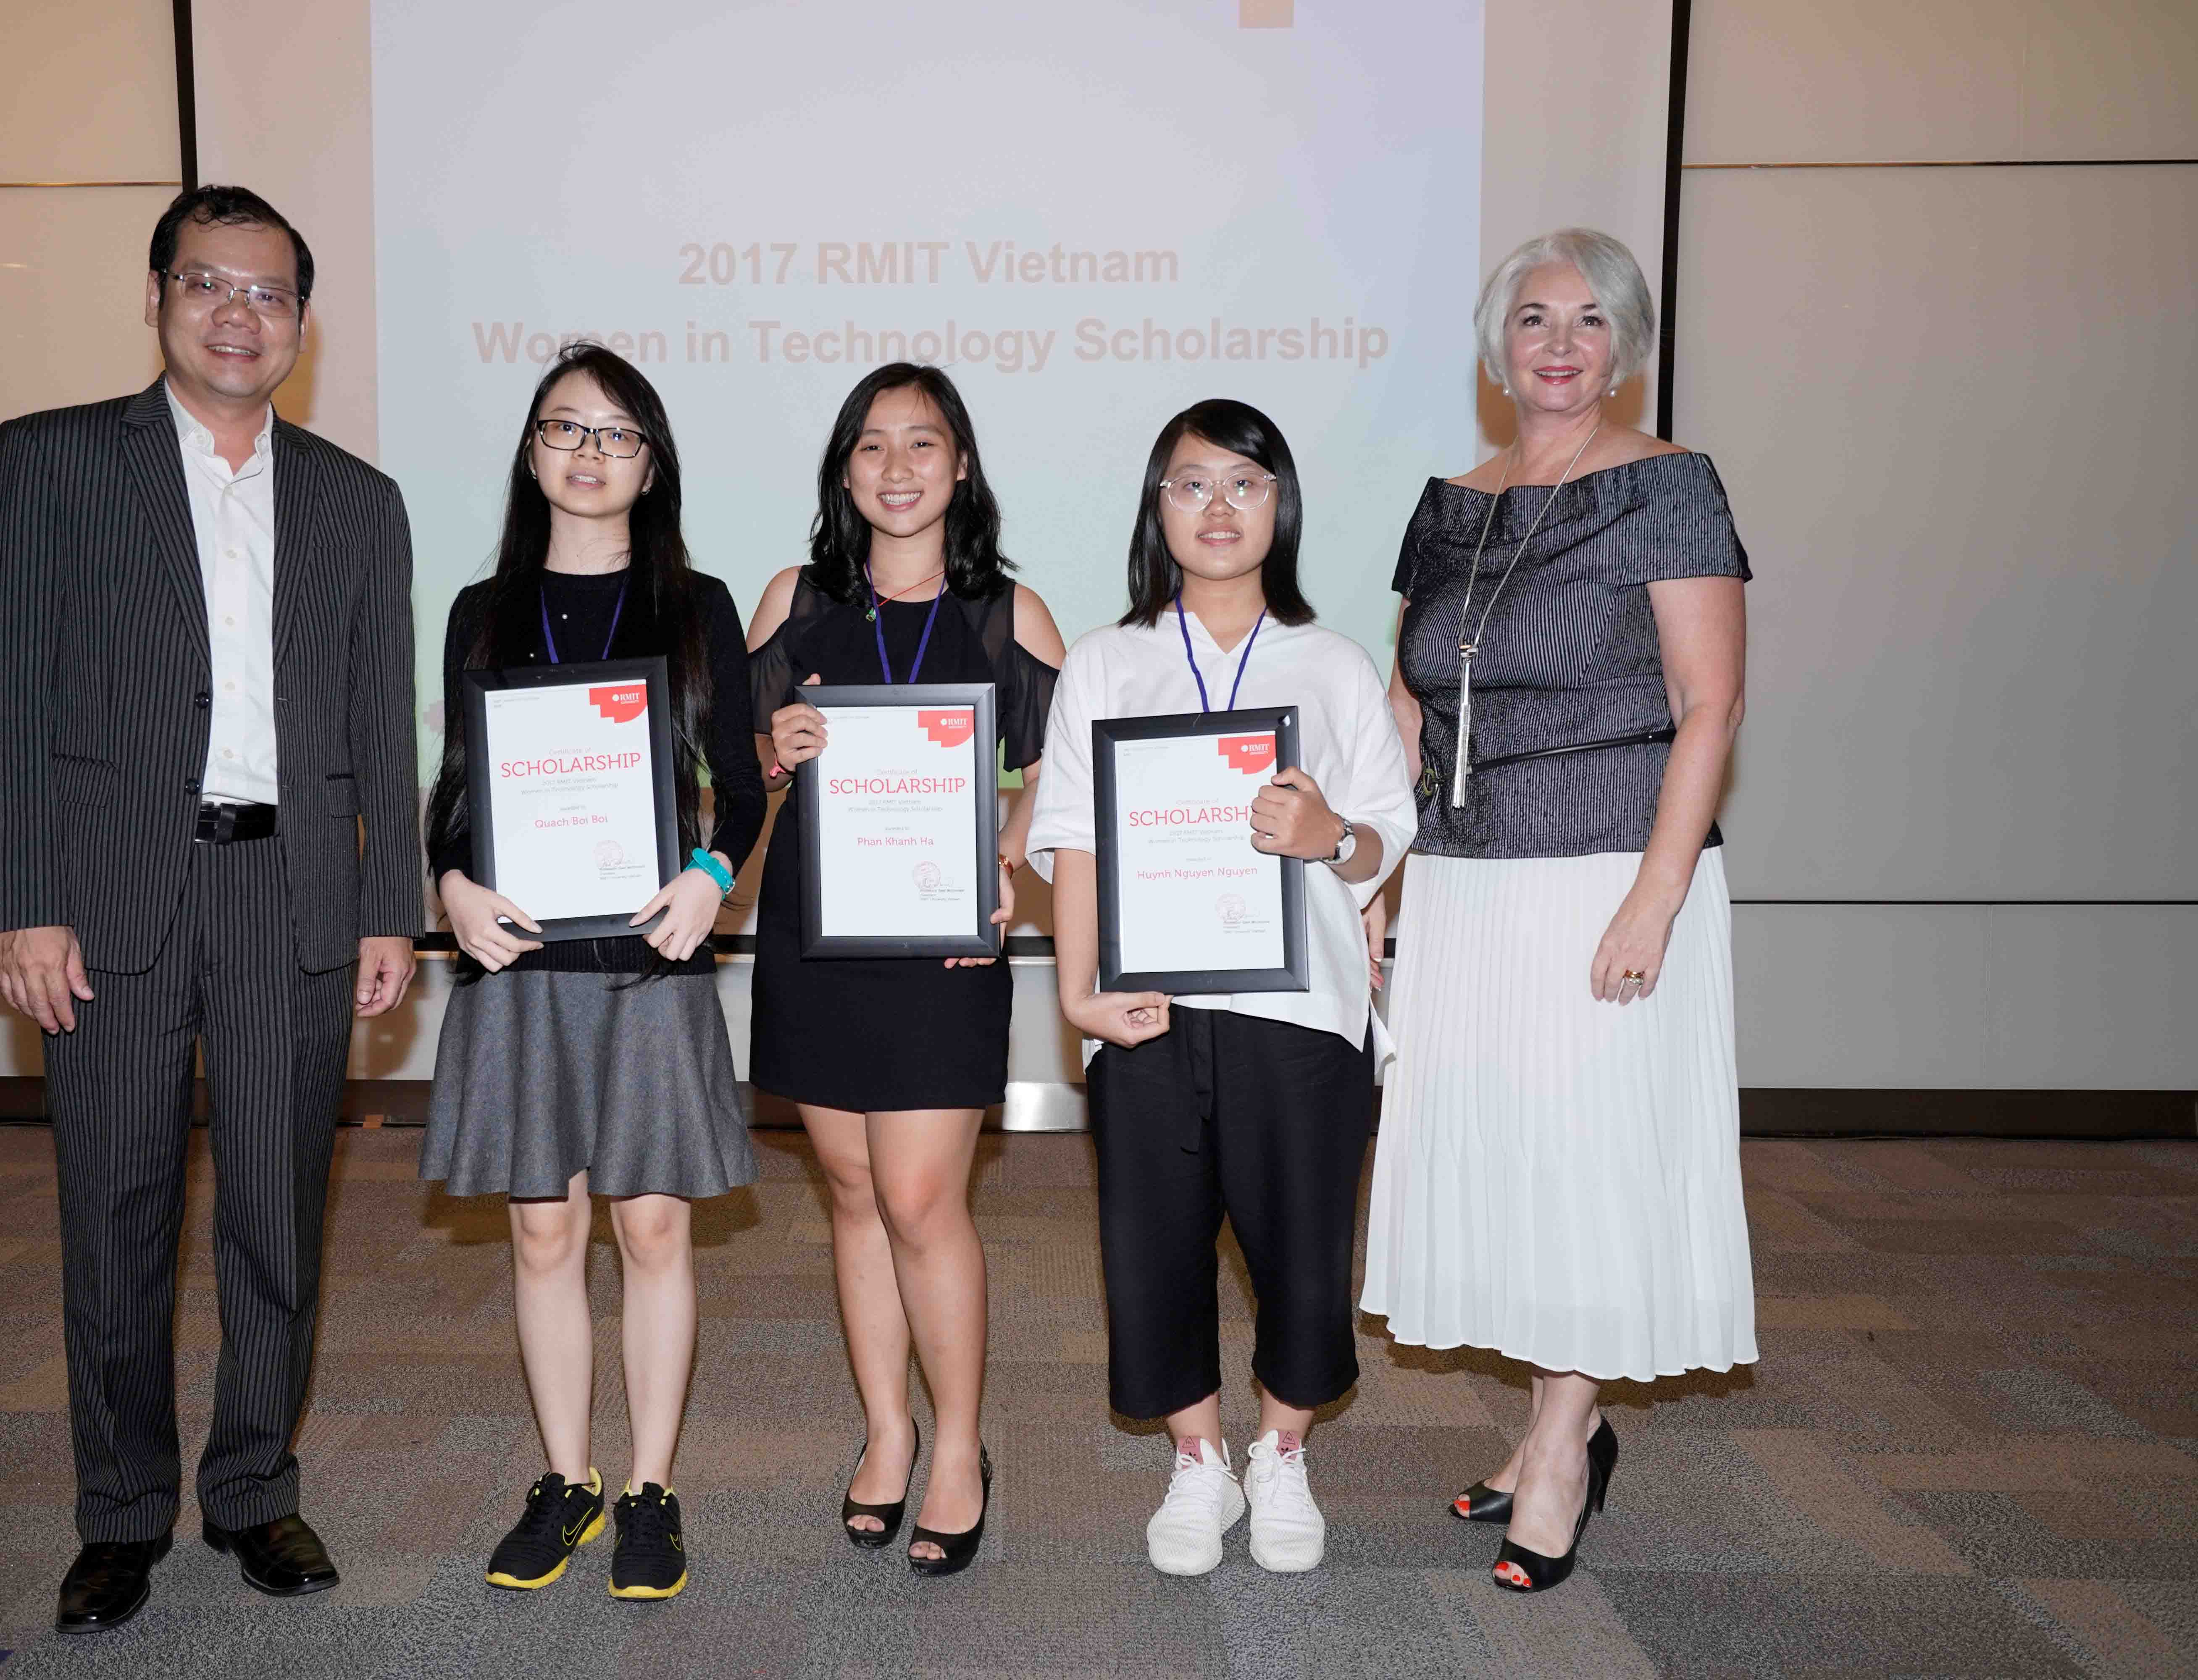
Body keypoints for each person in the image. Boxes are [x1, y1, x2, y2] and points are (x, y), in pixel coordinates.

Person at [0, 185, 421, 1635]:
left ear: (304, 320)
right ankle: (118, 1515)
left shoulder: (357, 498)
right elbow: (3, 694)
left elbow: (379, 724)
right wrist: (25, 900)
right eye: (210, 284)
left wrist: (387, 905)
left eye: (271, 292)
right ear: (157, 296)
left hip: (292, 893)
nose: (241, 314)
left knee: (281, 1211)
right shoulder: (50, 463)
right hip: (105, 899)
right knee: (116, 1209)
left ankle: (253, 1491)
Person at [1360, 227, 1757, 1594]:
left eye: (1593, 319)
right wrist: (1380, 878)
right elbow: (1410, 702)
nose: (1562, 342)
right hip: (1468, 883)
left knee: (1588, 1159)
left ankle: (1564, 1447)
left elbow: (1711, 705)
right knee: (1514, 1154)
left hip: (1608, 871)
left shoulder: (1669, 487)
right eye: (1535, 317)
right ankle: (1549, 1426)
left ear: (1626, 343)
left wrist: (1657, 894)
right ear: (1497, 344)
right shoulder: (1448, 502)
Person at [1025, 400, 1413, 1578]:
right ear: (1159, 509)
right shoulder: (1107, 659)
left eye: (1246, 484)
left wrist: (1328, 831)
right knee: (1152, 1239)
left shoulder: (1333, 664)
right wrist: (1077, 997)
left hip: (1298, 1011)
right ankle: (1198, 1460)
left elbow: (1384, 846)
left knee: (1303, 1239)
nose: (1220, 508)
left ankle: (1282, 1452)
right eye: (1192, 485)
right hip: (1147, 1007)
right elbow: (1076, 838)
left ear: (1279, 506)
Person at [421, 343, 765, 1603]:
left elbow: (738, 777)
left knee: (656, 1224)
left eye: (618, 435)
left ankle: (651, 1486)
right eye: (566, 429)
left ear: (652, 464)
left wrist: (711, 876)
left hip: (649, 955)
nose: (589, 453)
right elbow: (459, 792)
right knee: (542, 1225)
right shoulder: (481, 611)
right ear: (531, 453)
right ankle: (565, 1477)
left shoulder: (699, 603)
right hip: (518, 960)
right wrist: (449, 882)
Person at [744, 363, 1065, 1575]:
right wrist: (773, 748)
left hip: (938, 940)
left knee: (925, 1199)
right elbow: (741, 763)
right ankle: (886, 1431)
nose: (896, 469)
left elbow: (1070, 766)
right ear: (845, 471)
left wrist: (1009, 847)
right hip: (820, 935)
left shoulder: (1009, 614)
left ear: (962, 466)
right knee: (849, 1190)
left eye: (922, 445)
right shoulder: (796, 598)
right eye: (871, 447)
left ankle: (958, 1448)